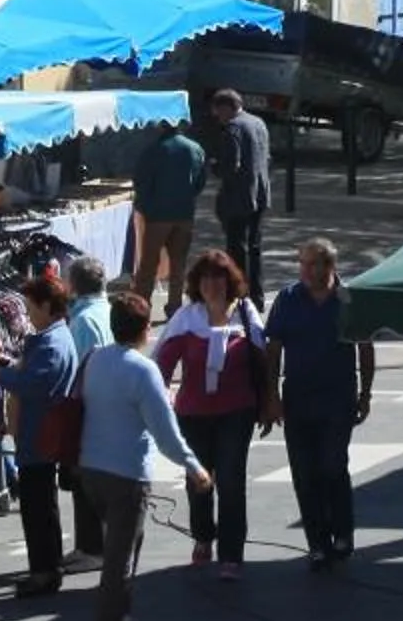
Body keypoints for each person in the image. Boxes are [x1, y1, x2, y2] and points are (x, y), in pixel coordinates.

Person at [79, 290, 213, 621]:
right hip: (127, 474)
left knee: (123, 545)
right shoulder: (143, 370)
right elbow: (165, 431)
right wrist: (194, 466)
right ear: (144, 329)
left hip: (91, 468)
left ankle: (120, 616)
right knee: (120, 556)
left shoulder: (94, 359)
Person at [156, 251, 277, 576]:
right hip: (192, 414)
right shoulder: (186, 317)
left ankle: (231, 555)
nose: (212, 284)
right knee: (199, 481)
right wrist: (157, 406)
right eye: (205, 278)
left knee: (232, 481)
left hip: (236, 412)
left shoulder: (247, 314)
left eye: (218, 277)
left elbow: (263, 363)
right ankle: (203, 536)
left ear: (230, 280)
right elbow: (161, 366)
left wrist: (269, 402)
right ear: (197, 284)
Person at [263, 238, 373, 569]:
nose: (306, 271)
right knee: (304, 472)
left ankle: (342, 534)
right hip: (298, 397)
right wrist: (272, 395)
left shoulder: (349, 298)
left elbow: (365, 348)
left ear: (330, 267)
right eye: (302, 264)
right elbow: (274, 349)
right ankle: (317, 542)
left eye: (313, 264)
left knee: (332, 465)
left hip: (338, 398)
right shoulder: (287, 299)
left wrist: (366, 394)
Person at [1, 274, 81, 598]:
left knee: (38, 510)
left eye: (31, 307)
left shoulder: (51, 343)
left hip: (40, 436)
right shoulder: (54, 338)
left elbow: (31, 385)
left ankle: (43, 572)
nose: (28, 314)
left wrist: (0, 372)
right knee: (42, 507)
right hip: (41, 435)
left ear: (47, 306)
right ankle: (47, 569)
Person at [59, 257, 113, 575]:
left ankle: (92, 548)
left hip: (88, 408)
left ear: (74, 286)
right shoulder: (106, 312)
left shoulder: (82, 321)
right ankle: (90, 545)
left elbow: (76, 370)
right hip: (109, 405)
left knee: (84, 479)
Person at [131, 123, 209, 318]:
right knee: (179, 263)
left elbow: (141, 182)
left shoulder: (153, 150)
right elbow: (200, 181)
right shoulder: (195, 148)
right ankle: (174, 306)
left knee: (148, 264)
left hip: (158, 215)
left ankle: (142, 306)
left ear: (160, 127)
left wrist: (145, 206)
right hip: (184, 213)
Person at [206, 89, 272, 296]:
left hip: (238, 198)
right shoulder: (258, 123)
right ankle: (257, 295)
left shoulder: (233, 128)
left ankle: (240, 294)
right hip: (260, 193)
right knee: (254, 247)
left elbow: (230, 166)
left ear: (226, 108)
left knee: (237, 249)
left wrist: (215, 166)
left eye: (218, 113)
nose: (217, 118)